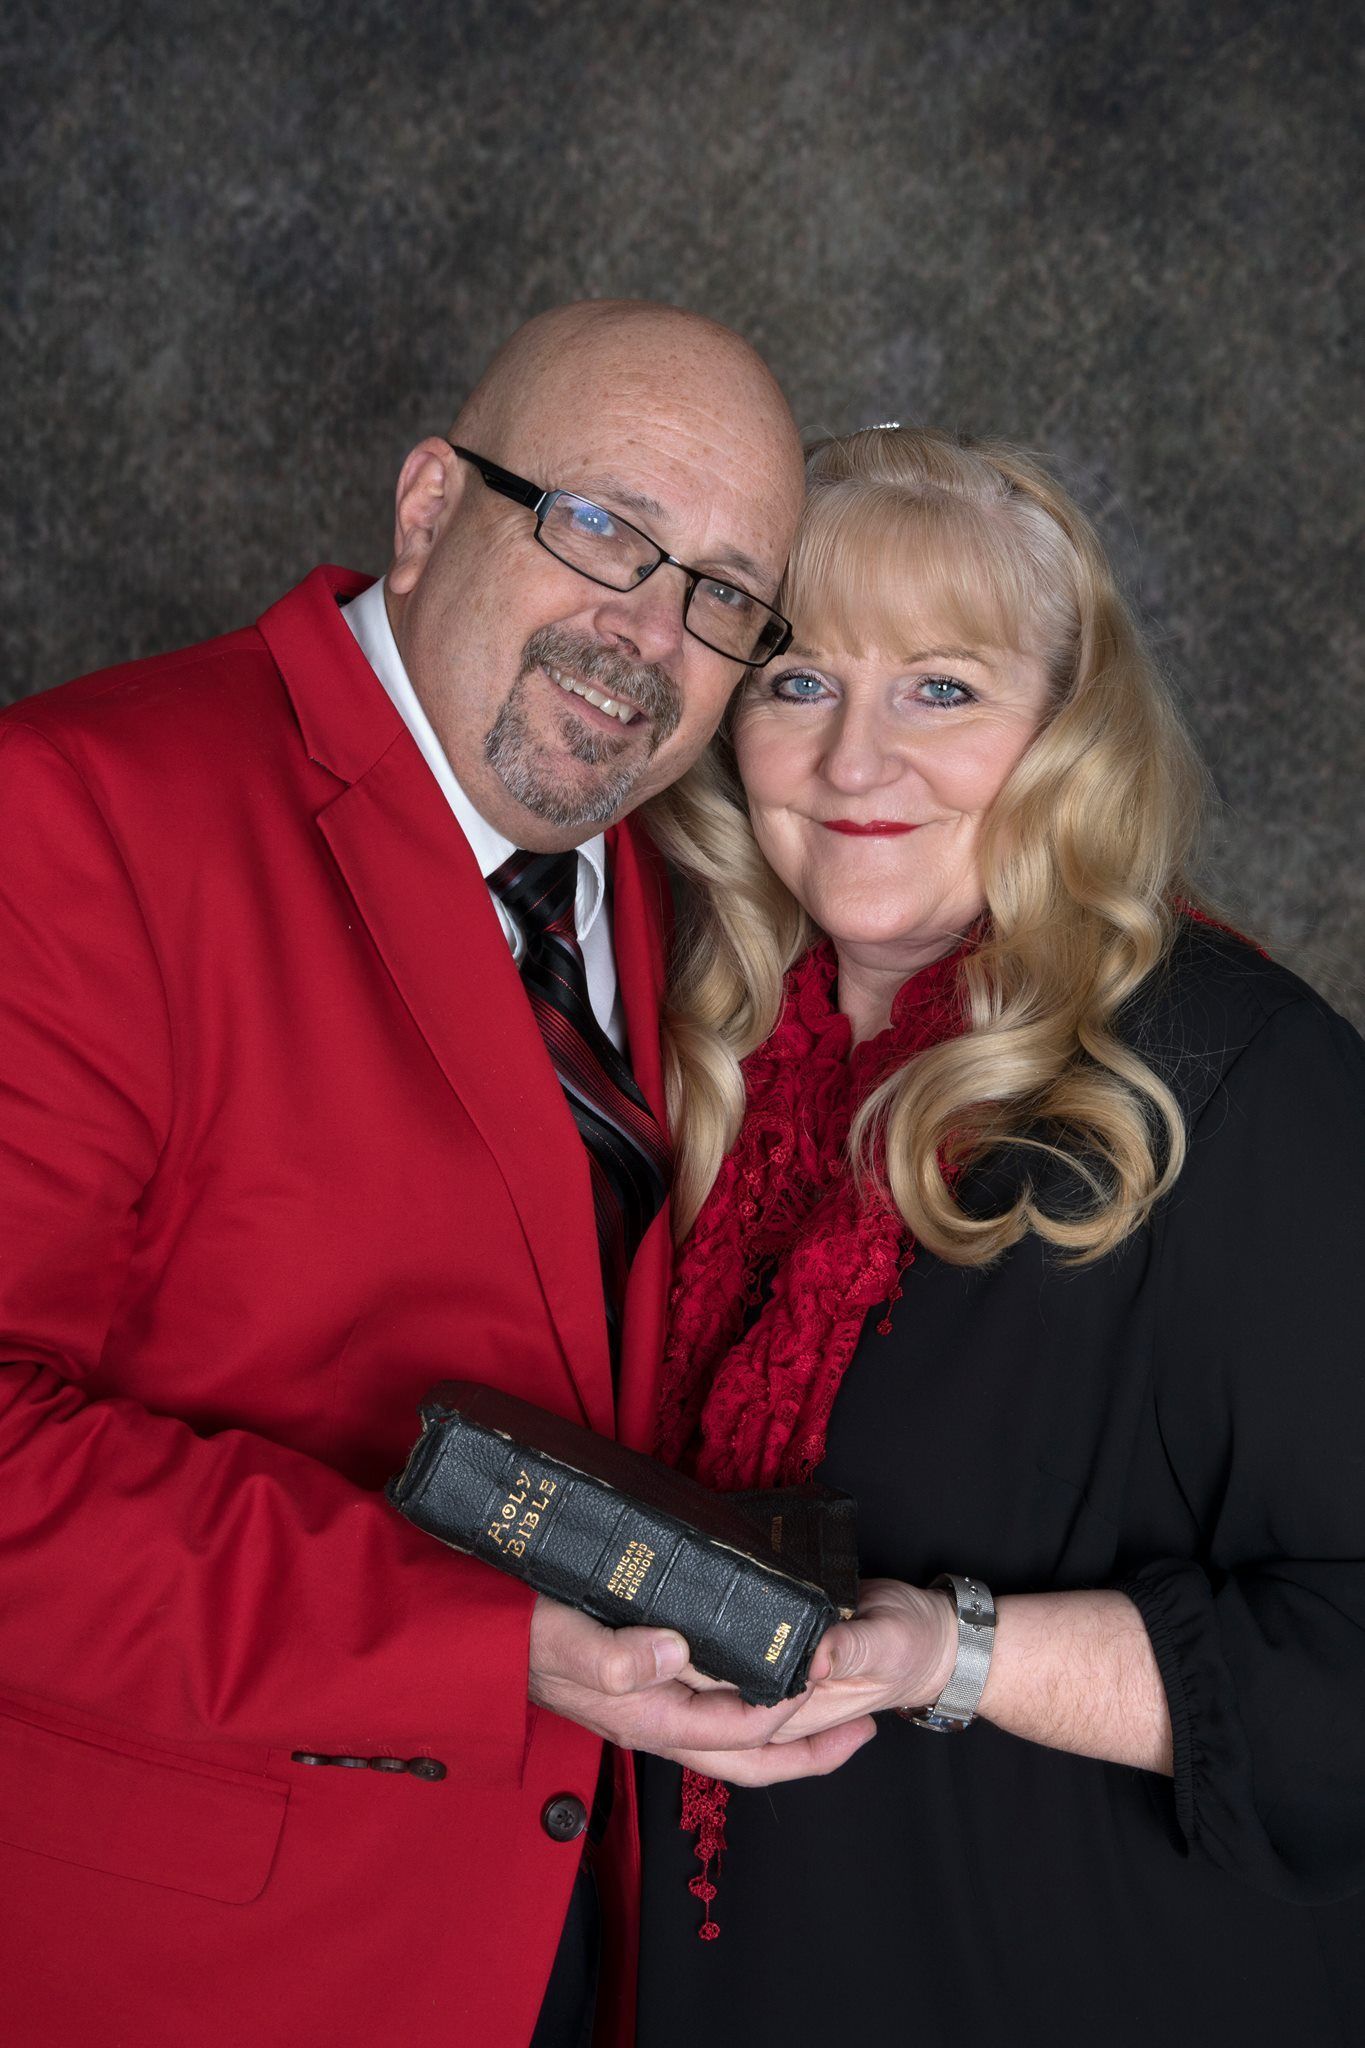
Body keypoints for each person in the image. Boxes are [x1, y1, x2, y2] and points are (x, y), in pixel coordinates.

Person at [0, 300, 868, 2048]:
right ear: (425, 505)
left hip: (562, 1954)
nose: (645, 634)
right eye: (601, 525)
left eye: (720, 593)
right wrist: (491, 1649)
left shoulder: (679, 898)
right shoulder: (73, 817)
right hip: (194, 1976)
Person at [635, 424, 1365, 2045]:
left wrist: (944, 1652)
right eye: (796, 681)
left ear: (1064, 729)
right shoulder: (687, 1056)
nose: (853, 764)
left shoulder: (1238, 1082)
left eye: (942, 688)